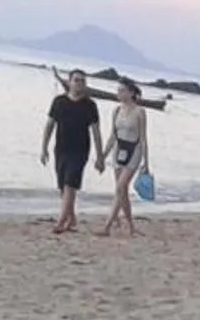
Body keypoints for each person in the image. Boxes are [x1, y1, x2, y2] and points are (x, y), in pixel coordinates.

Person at [40, 70, 100, 234]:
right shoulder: (59, 101)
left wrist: (100, 156)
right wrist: (44, 147)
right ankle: (71, 217)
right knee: (62, 186)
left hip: (80, 151)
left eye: (82, 81)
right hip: (61, 148)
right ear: (69, 82)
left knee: (70, 184)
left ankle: (61, 222)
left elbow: (96, 131)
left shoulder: (90, 105)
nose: (79, 84)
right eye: (76, 80)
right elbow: (50, 125)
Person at [101, 78, 149, 237]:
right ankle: (131, 226)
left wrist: (146, 163)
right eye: (118, 90)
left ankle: (107, 226)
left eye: (122, 90)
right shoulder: (116, 110)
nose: (119, 93)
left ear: (131, 93)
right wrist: (102, 156)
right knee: (122, 191)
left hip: (134, 150)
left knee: (120, 187)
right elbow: (112, 136)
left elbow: (143, 138)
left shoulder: (140, 112)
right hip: (118, 149)